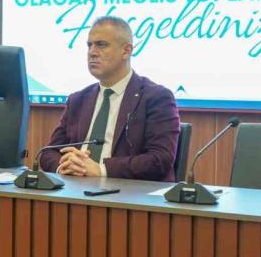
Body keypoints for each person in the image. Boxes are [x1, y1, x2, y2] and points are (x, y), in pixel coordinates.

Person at [39, 16, 179, 181]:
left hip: (127, 191)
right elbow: (48, 152)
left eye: (101, 45)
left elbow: (160, 159)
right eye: (89, 45)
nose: (92, 52)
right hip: (75, 187)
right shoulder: (78, 99)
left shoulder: (156, 97)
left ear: (126, 50)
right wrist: (65, 166)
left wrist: (101, 170)